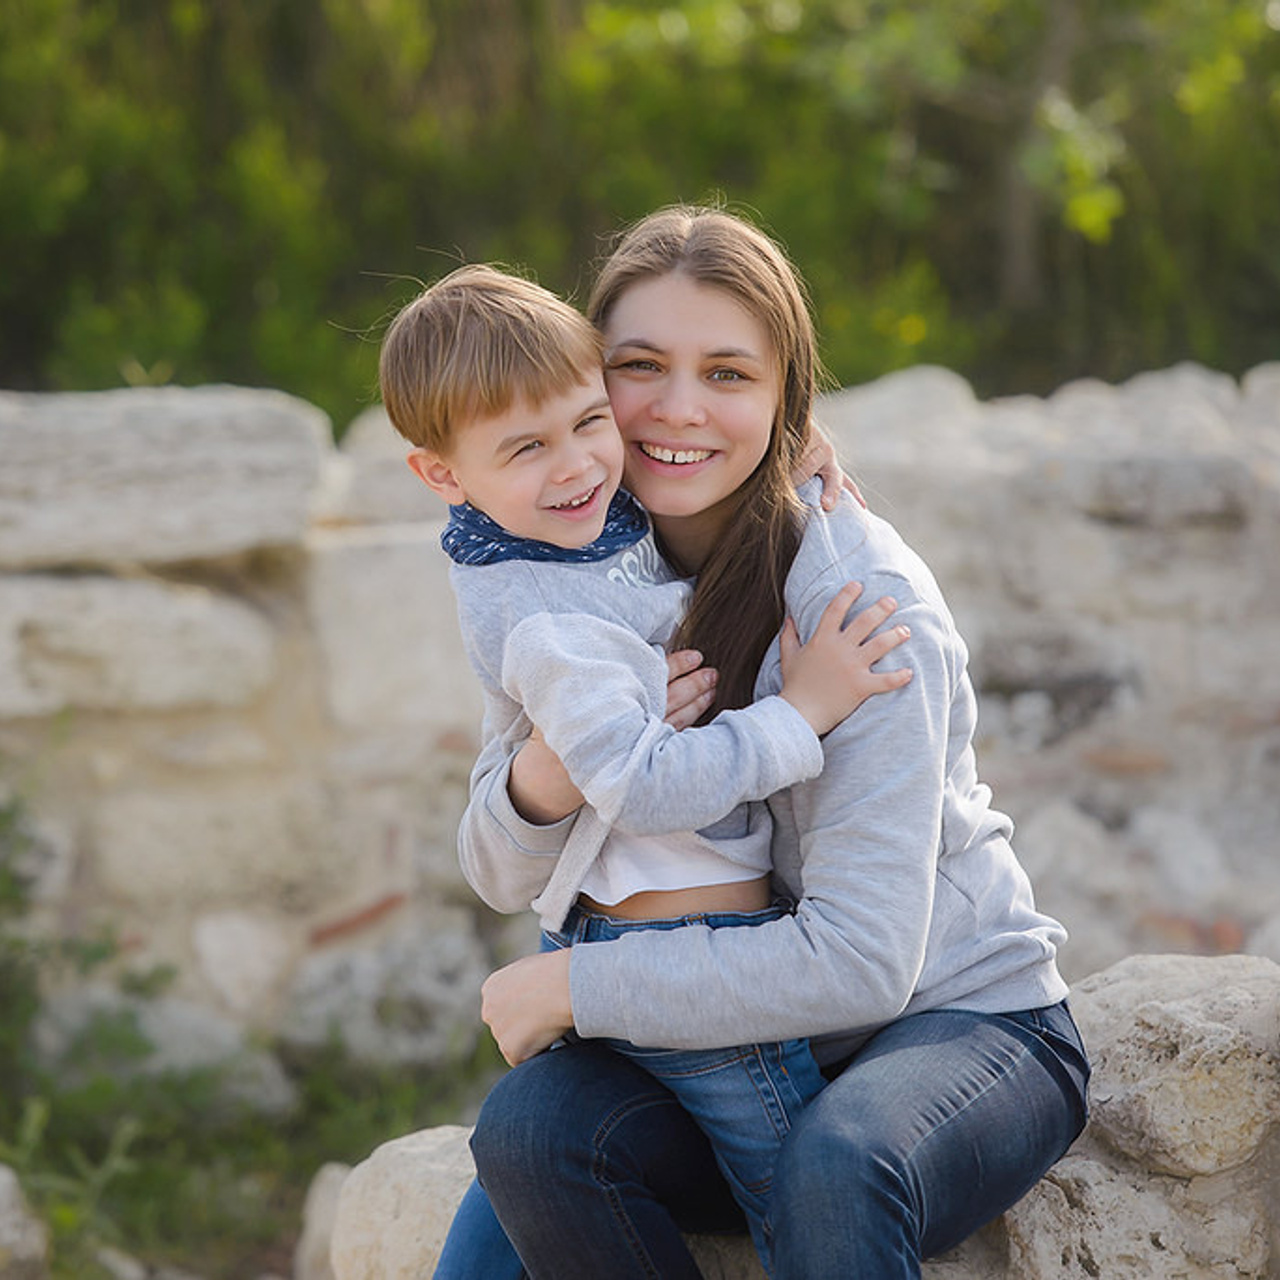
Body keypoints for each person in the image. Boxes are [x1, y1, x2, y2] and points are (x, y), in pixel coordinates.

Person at [437, 206, 1091, 1280]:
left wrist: (575, 989)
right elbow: (498, 868)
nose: (677, 409)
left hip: (952, 1022)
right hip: (737, 1045)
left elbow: (862, 961)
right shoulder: (568, 560)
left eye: (728, 375)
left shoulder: (859, 609)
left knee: (837, 1164)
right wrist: (546, 777)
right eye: (640, 366)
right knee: (527, 1132)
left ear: (786, 396)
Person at [378, 263, 912, 1272]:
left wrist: (788, 447)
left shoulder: (556, 530)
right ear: (442, 475)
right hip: (687, 954)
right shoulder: (548, 618)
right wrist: (800, 713)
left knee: (517, 1175)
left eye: (589, 421)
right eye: (526, 447)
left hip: (630, 945)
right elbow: (648, 789)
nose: (578, 463)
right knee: (800, 1210)